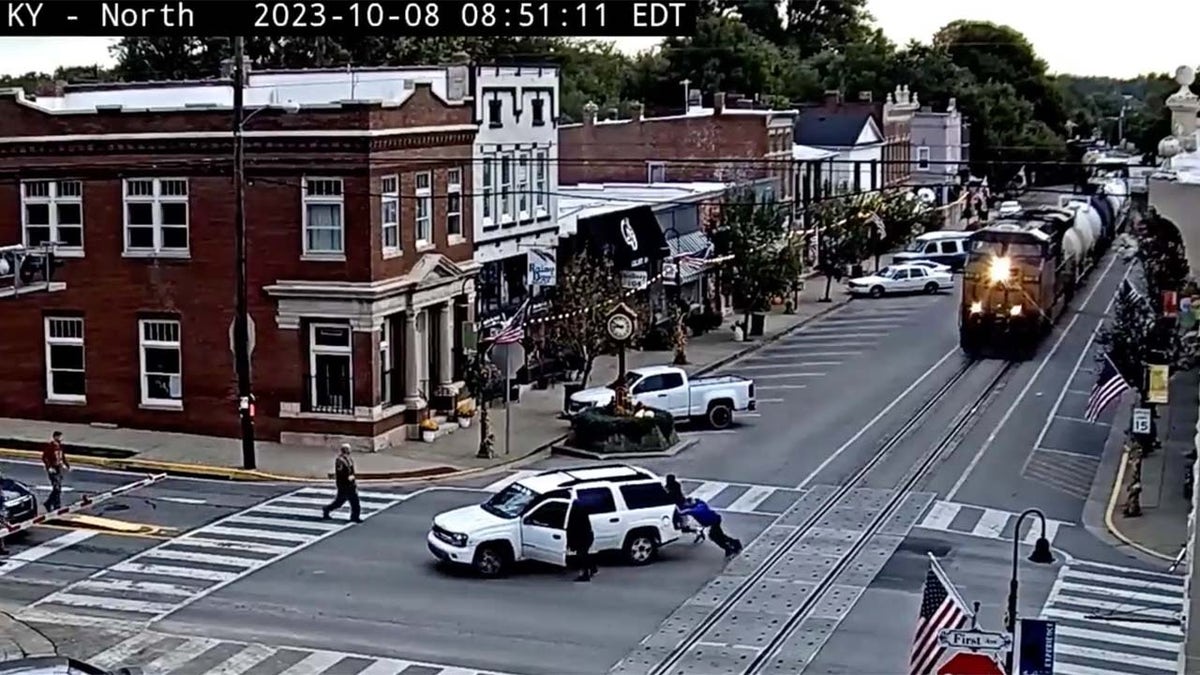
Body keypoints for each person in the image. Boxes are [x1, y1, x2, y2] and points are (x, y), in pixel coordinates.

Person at [678, 498, 742, 558]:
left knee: (714, 537)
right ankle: (734, 544)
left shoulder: (693, 510)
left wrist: (676, 507)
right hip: (716, 519)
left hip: (712, 522)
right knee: (719, 535)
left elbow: (681, 512)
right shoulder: (701, 504)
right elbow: (697, 501)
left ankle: (729, 548)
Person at [322, 444, 361, 523]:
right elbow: (340, 472)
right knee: (339, 502)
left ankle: (355, 517)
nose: (350, 450)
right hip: (344, 485)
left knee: (355, 501)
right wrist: (347, 478)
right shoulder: (340, 460)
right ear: (345, 450)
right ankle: (327, 509)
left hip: (351, 484)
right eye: (348, 449)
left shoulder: (349, 459)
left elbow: (351, 470)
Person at [565, 499, 597, 582]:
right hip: (587, 537)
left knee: (582, 556)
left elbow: (572, 529)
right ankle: (592, 568)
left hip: (581, 538)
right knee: (584, 554)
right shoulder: (584, 513)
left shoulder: (574, 515)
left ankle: (585, 575)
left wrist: (570, 543)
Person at [41, 431, 69, 512]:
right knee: (56, 488)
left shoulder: (59, 446)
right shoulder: (50, 446)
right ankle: (54, 504)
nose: (61, 438)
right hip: (53, 469)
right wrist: (49, 467)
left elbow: (62, 457)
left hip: (58, 468)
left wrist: (66, 465)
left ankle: (52, 503)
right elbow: (45, 457)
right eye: (60, 436)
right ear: (55, 437)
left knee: (58, 487)